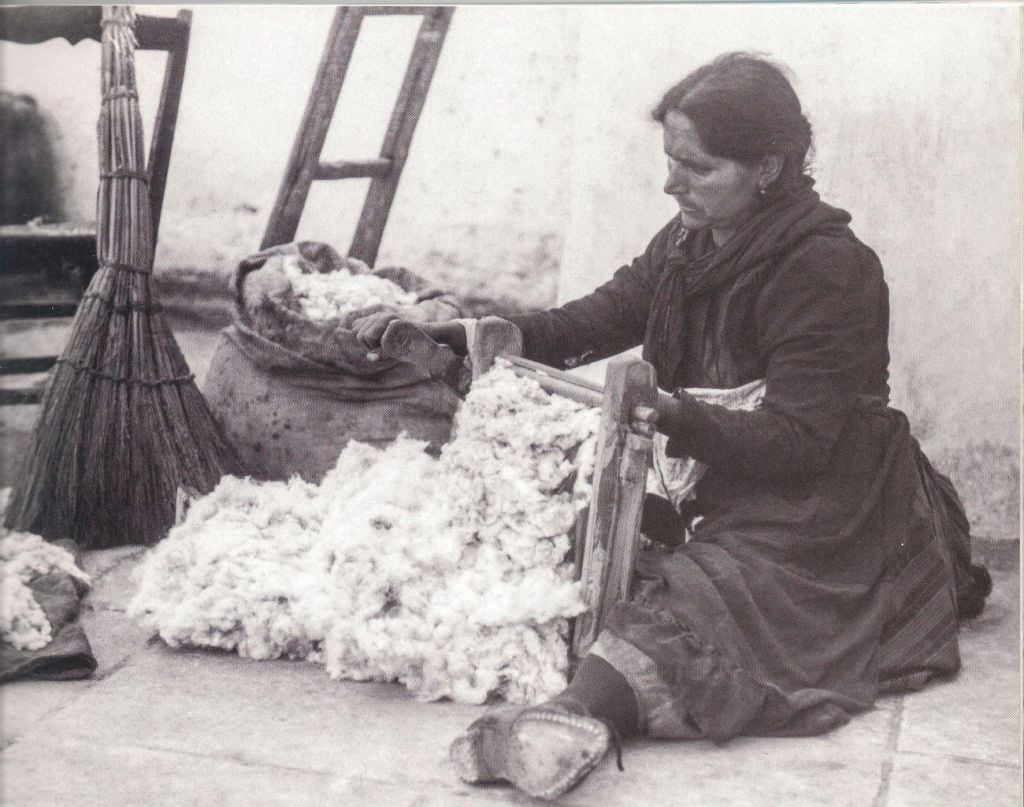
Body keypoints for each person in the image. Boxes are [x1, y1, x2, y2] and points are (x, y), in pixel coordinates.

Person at [353, 52, 991, 801]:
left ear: (769, 168)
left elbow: (800, 446)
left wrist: (676, 418)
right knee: (567, 542)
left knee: (705, 598)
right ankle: (573, 702)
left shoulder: (826, 269)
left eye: (698, 166)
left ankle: (568, 717)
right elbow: (593, 318)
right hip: (717, 473)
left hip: (825, 500)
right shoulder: (686, 244)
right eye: (670, 161)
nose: (671, 183)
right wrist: (463, 333)